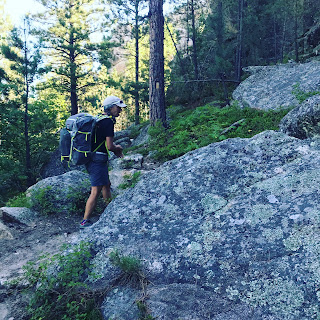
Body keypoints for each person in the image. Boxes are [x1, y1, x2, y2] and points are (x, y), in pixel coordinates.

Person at [80, 96, 126, 228]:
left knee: (106, 185)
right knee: (96, 190)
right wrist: (118, 149)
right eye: (118, 108)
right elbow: (110, 146)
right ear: (111, 107)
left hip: (92, 157)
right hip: (97, 160)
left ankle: (110, 212)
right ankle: (85, 221)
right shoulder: (108, 122)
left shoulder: (99, 118)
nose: (120, 111)